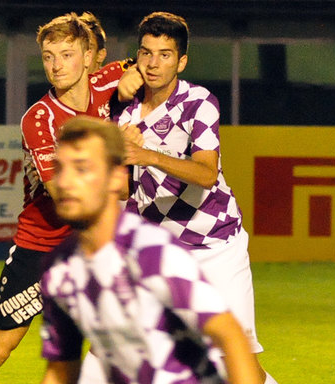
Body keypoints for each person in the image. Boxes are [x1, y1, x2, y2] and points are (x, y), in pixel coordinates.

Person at [0, 13, 127, 384]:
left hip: (92, 247)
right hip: (41, 249)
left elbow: (147, 65)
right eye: (48, 56)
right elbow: (62, 195)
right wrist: (118, 162)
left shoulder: (107, 80)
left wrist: (139, 75)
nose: (56, 66)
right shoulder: (39, 119)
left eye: (66, 54)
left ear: (89, 56)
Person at [115, 12, 278, 384]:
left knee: (239, 365)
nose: (154, 63)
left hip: (215, 245)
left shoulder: (198, 103)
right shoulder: (122, 115)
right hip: (162, 255)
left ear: (181, 61)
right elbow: (125, 189)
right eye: (146, 53)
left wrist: (147, 154)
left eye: (165, 54)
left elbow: (206, 173)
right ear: (137, 57)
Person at [39, 115, 262, 384]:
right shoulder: (60, 268)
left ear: (116, 178)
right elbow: (61, 370)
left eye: (82, 169)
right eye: (59, 168)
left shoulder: (151, 253)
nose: (64, 182)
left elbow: (230, 337)